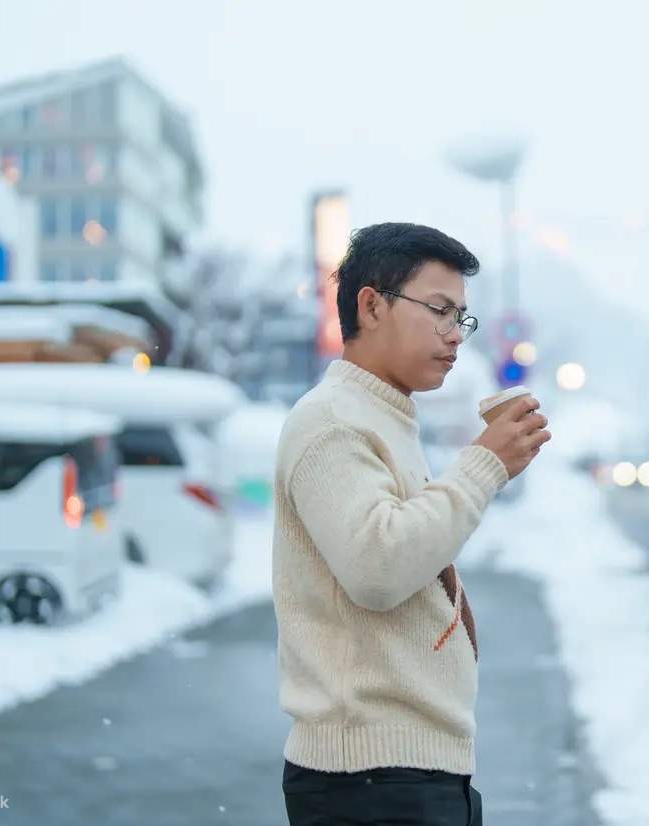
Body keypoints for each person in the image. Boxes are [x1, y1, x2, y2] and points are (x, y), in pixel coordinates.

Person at [272, 222, 551, 825]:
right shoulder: (332, 421)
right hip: (369, 778)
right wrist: (485, 465)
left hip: (401, 772)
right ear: (371, 305)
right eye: (440, 310)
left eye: (463, 318)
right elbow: (379, 566)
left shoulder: (381, 413)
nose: (455, 335)